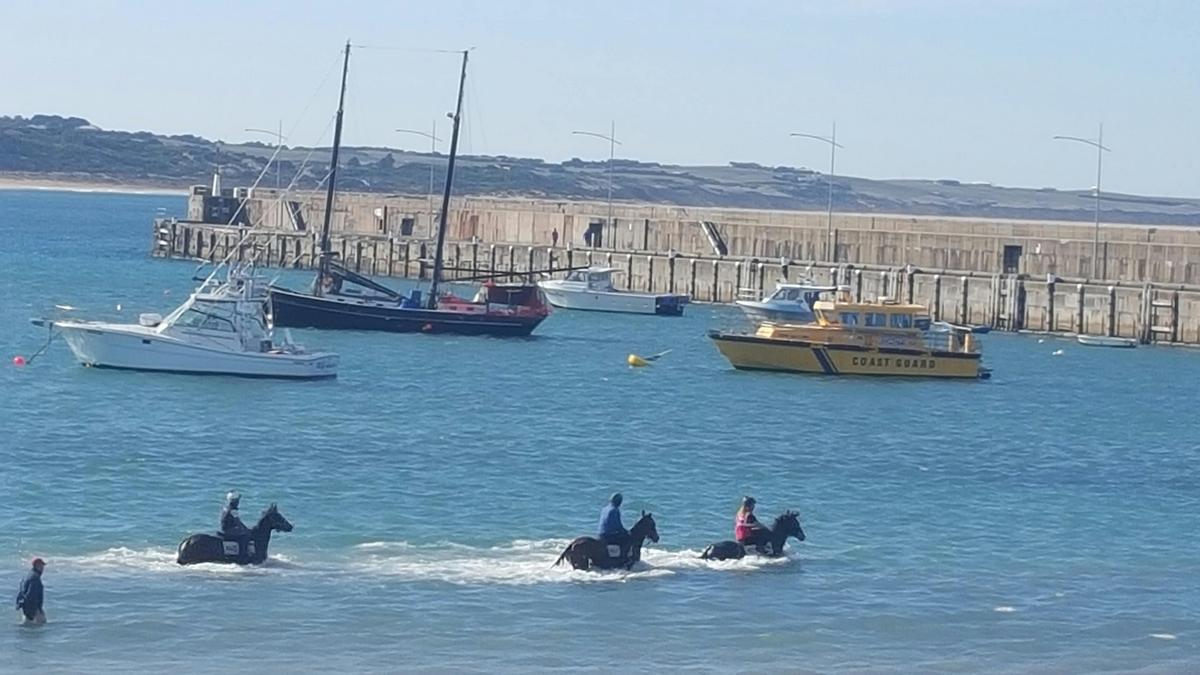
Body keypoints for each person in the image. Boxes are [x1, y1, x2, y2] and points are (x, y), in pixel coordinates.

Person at [219, 491, 251, 563]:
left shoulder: (226, 508)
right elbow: (238, 522)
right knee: (244, 537)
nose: (238, 502)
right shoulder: (233, 510)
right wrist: (246, 530)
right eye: (237, 500)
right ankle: (242, 555)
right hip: (229, 530)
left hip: (225, 528)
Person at [597, 492, 629, 559]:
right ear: (619, 502)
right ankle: (622, 558)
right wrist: (626, 532)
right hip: (608, 535)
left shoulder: (605, 508)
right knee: (626, 539)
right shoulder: (615, 510)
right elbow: (618, 525)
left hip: (600, 533)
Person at [15, 558, 46, 625]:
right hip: (32, 608)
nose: (43, 568)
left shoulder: (27, 576)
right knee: (40, 625)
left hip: (25, 606)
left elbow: (21, 593)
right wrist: (34, 612)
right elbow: (31, 595)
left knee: (27, 626)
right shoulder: (35, 578)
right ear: (37, 566)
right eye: (41, 566)